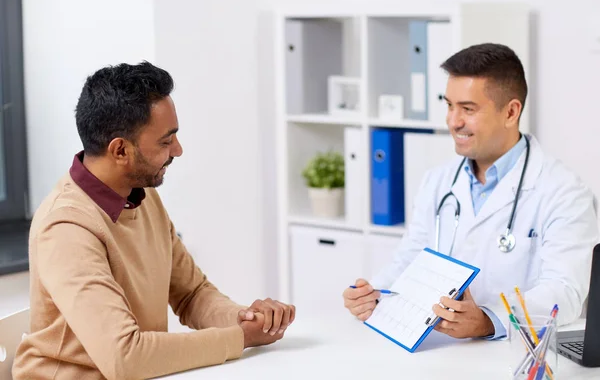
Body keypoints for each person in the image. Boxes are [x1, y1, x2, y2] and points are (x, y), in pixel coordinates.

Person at [12, 62, 295, 380]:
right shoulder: (66, 228)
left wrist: (244, 319)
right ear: (120, 150)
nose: (178, 149)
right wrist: (241, 339)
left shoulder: (141, 196)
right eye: (165, 141)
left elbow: (192, 294)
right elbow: (125, 357)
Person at [343, 43, 599, 339]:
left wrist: (490, 320)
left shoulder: (564, 192)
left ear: (511, 111)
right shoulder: (437, 180)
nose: (453, 121)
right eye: (449, 105)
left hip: (512, 354)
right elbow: (412, 256)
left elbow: (565, 291)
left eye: (468, 109)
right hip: (439, 349)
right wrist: (373, 292)